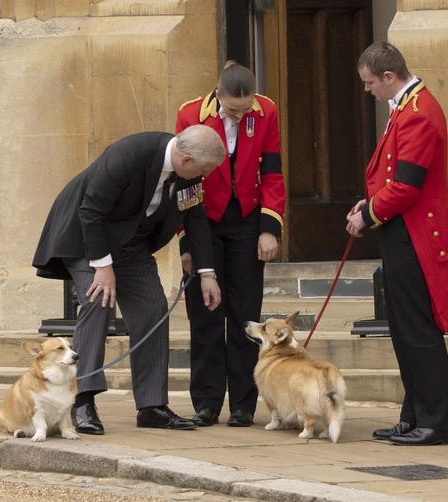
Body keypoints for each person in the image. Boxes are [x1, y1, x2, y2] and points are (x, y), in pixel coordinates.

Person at [32, 125, 226, 434]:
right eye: (204, 169)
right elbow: (91, 211)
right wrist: (102, 266)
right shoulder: (130, 154)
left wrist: (206, 274)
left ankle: (151, 406)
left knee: (153, 306)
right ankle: (82, 401)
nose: (207, 176)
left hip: (131, 244)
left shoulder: (190, 175)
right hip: (85, 239)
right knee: (99, 301)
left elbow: (196, 217)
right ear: (186, 159)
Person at [346, 41, 448, 446]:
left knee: (417, 330)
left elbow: (408, 185)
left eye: (370, 82)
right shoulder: (406, 108)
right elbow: (393, 179)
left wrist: (366, 214)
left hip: (417, 233)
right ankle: (414, 416)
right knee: (401, 329)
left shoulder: (418, 113)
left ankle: (437, 422)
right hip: (402, 229)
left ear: (389, 77)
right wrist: (369, 202)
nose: (367, 89)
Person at [175, 61, 286, 427]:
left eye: (245, 110)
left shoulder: (266, 110)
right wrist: (186, 247)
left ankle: (243, 405)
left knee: (244, 314)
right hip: (203, 219)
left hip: (248, 220)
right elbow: (182, 182)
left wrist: (269, 227)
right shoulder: (190, 113)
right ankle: (206, 403)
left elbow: (271, 172)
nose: (239, 117)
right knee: (206, 313)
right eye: (232, 110)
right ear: (218, 94)